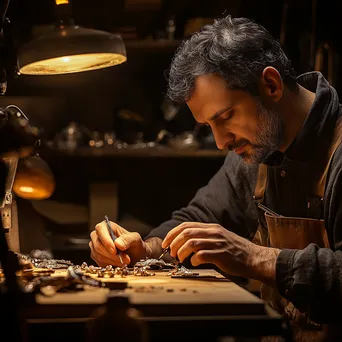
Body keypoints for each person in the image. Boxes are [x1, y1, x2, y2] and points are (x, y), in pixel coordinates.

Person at [89, 15, 342, 341]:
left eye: (226, 117)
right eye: (209, 127)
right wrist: (145, 249)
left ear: (271, 85)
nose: (222, 141)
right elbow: (198, 218)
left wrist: (252, 258)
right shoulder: (256, 151)